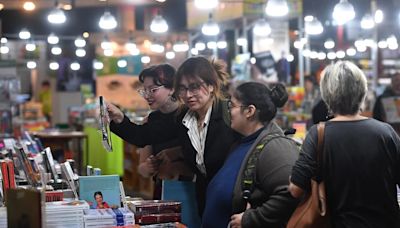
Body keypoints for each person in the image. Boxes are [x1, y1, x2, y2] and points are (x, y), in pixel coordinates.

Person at [108, 57, 240, 215]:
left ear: (211, 86)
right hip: (205, 198)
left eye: (194, 87)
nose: (188, 94)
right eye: (183, 89)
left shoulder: (229, 113)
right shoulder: (184, 117)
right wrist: (119, 118)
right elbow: (143, 136)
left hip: (232, 199)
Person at [289, 61, 400, 227]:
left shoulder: (318, 134)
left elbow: (295, 189)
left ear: (327, 94)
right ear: (362, 91)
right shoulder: (386, 132)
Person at [202, 82, 299, 228]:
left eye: (232, 106)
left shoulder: (275, 147)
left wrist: (252, 219)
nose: (229, 111)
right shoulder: (241, 142)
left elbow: (291, 193)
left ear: (249, 111)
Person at [107, 64, 182, 199]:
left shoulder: (189, 115)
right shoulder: (154, 118)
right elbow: (140, 137)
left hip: (190, 187)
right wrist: (119, 118)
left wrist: (176, 152)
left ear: (172, 88)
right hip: (163, 187)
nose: (147, 96)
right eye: (144, 91)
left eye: (153, 90)